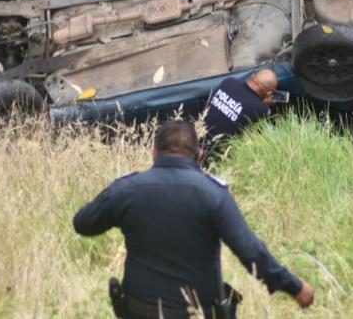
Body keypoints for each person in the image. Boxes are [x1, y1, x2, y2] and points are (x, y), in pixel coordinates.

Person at [73, 120, 314, 319]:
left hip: (139, 311)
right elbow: (251, 252)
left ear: (154, 153)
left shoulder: (126, 190)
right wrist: (295, 287)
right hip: (197, 313)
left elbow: (83, 223)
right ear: (199, 155)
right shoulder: (213, 194)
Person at [202, 69, 278, 156]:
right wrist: (264, 105)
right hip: (216, 153)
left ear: (253, 76)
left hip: (197, 135)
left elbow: (243, 101)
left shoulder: (229, 81)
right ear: (268, 93)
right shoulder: (262, 109)